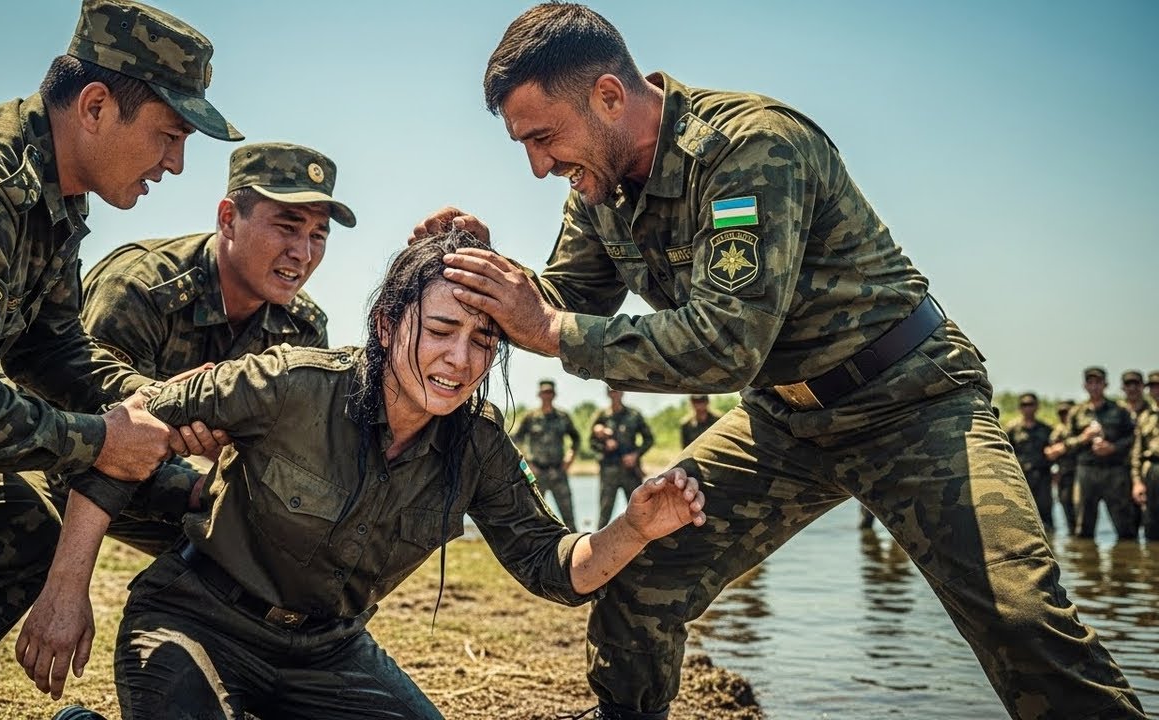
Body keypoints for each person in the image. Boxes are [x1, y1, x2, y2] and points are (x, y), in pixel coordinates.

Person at [410, 4, 1143, 717]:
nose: (539, 167)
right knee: (641, 573)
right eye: (524, 147)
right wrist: (484, 269)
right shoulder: (597, 188)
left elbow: (724, 344)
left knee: (1020, 620)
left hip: (911, 402)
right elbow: (568, 299)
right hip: (784, 422)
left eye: (544, 138)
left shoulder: (753, 146)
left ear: (608, 96)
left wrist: (549, 326)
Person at [39, 231, 708, 720]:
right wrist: (67, 592)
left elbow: (555, 568)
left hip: (329, 653)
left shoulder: (479, 445)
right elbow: (125, 428)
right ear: (388, 325)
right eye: (442, 329)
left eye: (483, 340)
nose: (460, 358)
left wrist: (636, 527)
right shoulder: (293, 382)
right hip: (199, 619)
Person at [0, 0, 241, 714]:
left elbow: (52, 350)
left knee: (18, 536)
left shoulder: (55, 200)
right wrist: (100, 441)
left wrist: (157, 404)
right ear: (98, 106)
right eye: (169, 135)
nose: (176, 162)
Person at [15, 142, 355, 702]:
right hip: (66, 462)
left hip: (179, 481)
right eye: (287, 226)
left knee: (269, 552)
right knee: (11, 547)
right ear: (229, 218)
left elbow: (287, 462)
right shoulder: (142, 289)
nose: (303, 252)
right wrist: (66, 589)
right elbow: (92, 436)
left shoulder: (301, 328)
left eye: (318, 235)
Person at [1049, 367, 1137, 541]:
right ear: (1085, 386)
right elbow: (1066, 444)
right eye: (1091, 382)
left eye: (1098, 382)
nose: (1095, 386)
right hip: (1086, 472)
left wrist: (1113, 447)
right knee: (1083, 527)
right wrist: (1084, 437)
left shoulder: (1120, 410)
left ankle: (1128, 564)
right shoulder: (1076, 412)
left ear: (1106, 385)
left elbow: (1133, 438)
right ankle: (1086, 566)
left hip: (1115, 472)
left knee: (1125, 526)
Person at [512, 379, 583, 527]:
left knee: (568, 516)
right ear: (539, 394)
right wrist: (528, 463)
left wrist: (570, 457)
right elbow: (515, 440)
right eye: (544, 392)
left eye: (549, 392)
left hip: (558, 472)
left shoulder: (563, 416)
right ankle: (534, 547)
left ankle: (576, 546)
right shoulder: (530, 417)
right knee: (534, 515)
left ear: (554, 394)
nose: (547, 395)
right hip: (537, 473)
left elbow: (576, 438)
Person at [590, 388, 654, 529]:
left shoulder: (633, 414)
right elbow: (592, 443)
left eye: (617, 391)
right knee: (604, 512)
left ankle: (645, 548)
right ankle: (598, 547)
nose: (614, 394)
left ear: (622, 392)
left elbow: (649, 439)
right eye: (611, 391)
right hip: (609, 471)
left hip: (630, 471)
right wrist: (605, 445)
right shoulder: (601, 416)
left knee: (639, 511)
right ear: (607, 393)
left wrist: (635, 455)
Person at [1004, 393, 1054, 530]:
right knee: (1021, 515)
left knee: (1045, 516)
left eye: (1031, 404)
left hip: (1043, 476)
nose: (1027, 408)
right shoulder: (1012, 429)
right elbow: (1005, 452)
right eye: (1024, 405)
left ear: (1037, 407)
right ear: (1019, 408)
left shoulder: (1047, 429)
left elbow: (1055, 451)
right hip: (1020, 477)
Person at [1131, 371, 1159, 541]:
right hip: (1152, 470)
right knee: (1152, 523)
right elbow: (1136, 453)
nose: (1157, 390)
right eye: (1153, 387)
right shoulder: (1145, 417)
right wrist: (1137, 482)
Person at [1047, 399, 1079, 533]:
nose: (1064, 416)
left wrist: (1063, 447)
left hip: (1080, 475)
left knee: (1081, 510)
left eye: (1067, 412)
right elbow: (1050, 452)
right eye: (1061, 413)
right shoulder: (1057, 430)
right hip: (1064, 474)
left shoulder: (1080, 428)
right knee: (1066, 506)